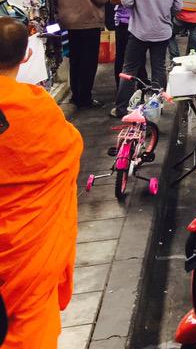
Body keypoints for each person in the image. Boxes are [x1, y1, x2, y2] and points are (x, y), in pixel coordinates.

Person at [0, 18, 83, 349]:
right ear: (26, 56)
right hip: (28, 252)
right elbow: (69, 148)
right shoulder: (37, 105)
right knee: (31, 329)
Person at [113, 0, 182, 117]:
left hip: (139, 31)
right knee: (159, 68)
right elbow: (178, 7)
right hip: (162, 32)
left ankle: (121, 109)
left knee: (129, 70)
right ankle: (156, 107)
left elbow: (127, 1)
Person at [54, 0, 113, 109]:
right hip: (89, 24)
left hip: (69, 24)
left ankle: (76, 95)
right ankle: (85, 97)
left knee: (76, 60)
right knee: (88, 62)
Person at [108, 0, 143, 87]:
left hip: (136, 20)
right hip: (124, 21)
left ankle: (140, 86)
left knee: (138, 56)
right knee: (122, 56)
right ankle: (121, 87)